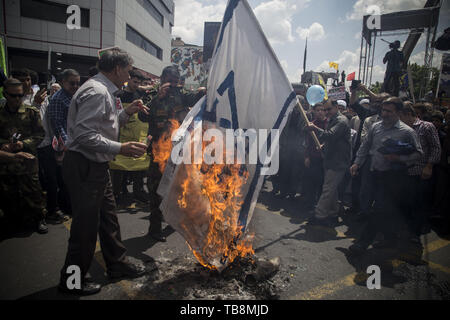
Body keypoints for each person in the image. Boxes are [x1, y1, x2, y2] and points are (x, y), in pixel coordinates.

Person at [58, 48, 150, 296]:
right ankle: (72, 280)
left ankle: (117, 265)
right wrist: (121, 147)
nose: (130, 77)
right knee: (85, 227)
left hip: (96, 166)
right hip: (85, 165)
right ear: (118, 68)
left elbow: (104, 124)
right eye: (129, 71)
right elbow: (85, 135)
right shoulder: (97, 91)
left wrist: (126, 113)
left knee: (109, 219)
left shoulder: (104, 91)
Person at [138, 65, 205, 242]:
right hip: (158, 150)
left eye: (176, 82)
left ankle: (173, 221)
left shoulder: (181, 94)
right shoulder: (153, 94)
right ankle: (154, 228)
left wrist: (204, 89)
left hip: (177, 150)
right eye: (170, 82)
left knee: (177, 188)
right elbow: (142, 116)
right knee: (156, 190)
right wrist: (157, 98)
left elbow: (197, 97)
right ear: (161, 79)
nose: (173, 85)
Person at [349, 97, 423, 254]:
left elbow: (418, 154)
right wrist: (357, 163)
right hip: (375, 174)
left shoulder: (407, 132)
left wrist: (399, 158)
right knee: (384, 210)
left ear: (398, 112)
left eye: (389, 111)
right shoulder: (375, 127)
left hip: (395, 177)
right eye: (383, 110)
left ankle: (362, 243)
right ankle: (390, 239)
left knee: (379, 208)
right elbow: (365, 146)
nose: (385, 114)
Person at [0, 78, 48, 235]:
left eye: (20, 95)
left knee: (33, 190)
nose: (17, 99)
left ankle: (40, 218)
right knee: (9, 193)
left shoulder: (31, 112)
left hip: (27, 160)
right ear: (5, 94)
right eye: (13, 96)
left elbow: (40, 134)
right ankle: (13, 221)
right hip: (6, 162)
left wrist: (23, 144)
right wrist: (4, 144)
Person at [41, 69, 81, 219]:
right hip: (62, 146)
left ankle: (68, 206)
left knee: (69, 179)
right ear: (63, 82)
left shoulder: (71, 96)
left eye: (77, 83)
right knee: (62, 180)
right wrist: (66, 146)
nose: (75, 86)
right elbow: (58, 125)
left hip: (72, 142)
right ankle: (62, 208)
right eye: (72, 83)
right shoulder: (59, 99)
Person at [400, 102, 441, 243]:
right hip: (404, 171)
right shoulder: (401, 129)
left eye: (401, 116)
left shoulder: (426, 127)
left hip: (421, 172)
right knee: (405, 202)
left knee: (418, 203)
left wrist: (429, 166)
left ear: (408, 114)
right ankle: (404, 229)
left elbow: (436, 148)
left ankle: (415, 233)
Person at [306, 99, 351, 225]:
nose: (326, 112)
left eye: (328, 109)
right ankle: (333, 213)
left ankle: (319, 215)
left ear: (336, 107)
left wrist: (314, 128)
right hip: (330, 159)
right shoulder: (333, 119)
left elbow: (330, 135)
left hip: (338, 161)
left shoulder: (341, 121)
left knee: (328, 189)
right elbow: (333, 140)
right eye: (325, 110)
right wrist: (324, 146)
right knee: (332, 190)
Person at [110, 69, 150, 205]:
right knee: (119, 168)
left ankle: (138, 191)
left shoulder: (140, 93)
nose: (137, 85)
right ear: (129, 80)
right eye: (135, 82)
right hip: (123, 137)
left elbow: (150, 87)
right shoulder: (118, 95)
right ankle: (119, 192)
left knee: (139, 166)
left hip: (138, 136)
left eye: (139, 83)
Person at [301, 102, 327, 210]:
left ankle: (320, 205)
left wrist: (323, 146)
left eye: (322, 110)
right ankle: (309, 203)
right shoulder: (311, 124)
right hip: (313, 158)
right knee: (311, 182)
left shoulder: (329, 123)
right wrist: (307, 157)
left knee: (322, 183)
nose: (320, 112)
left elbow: (330, 137)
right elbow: (307, 142)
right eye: (317, 110)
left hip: (325, 159)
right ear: (314, 112)